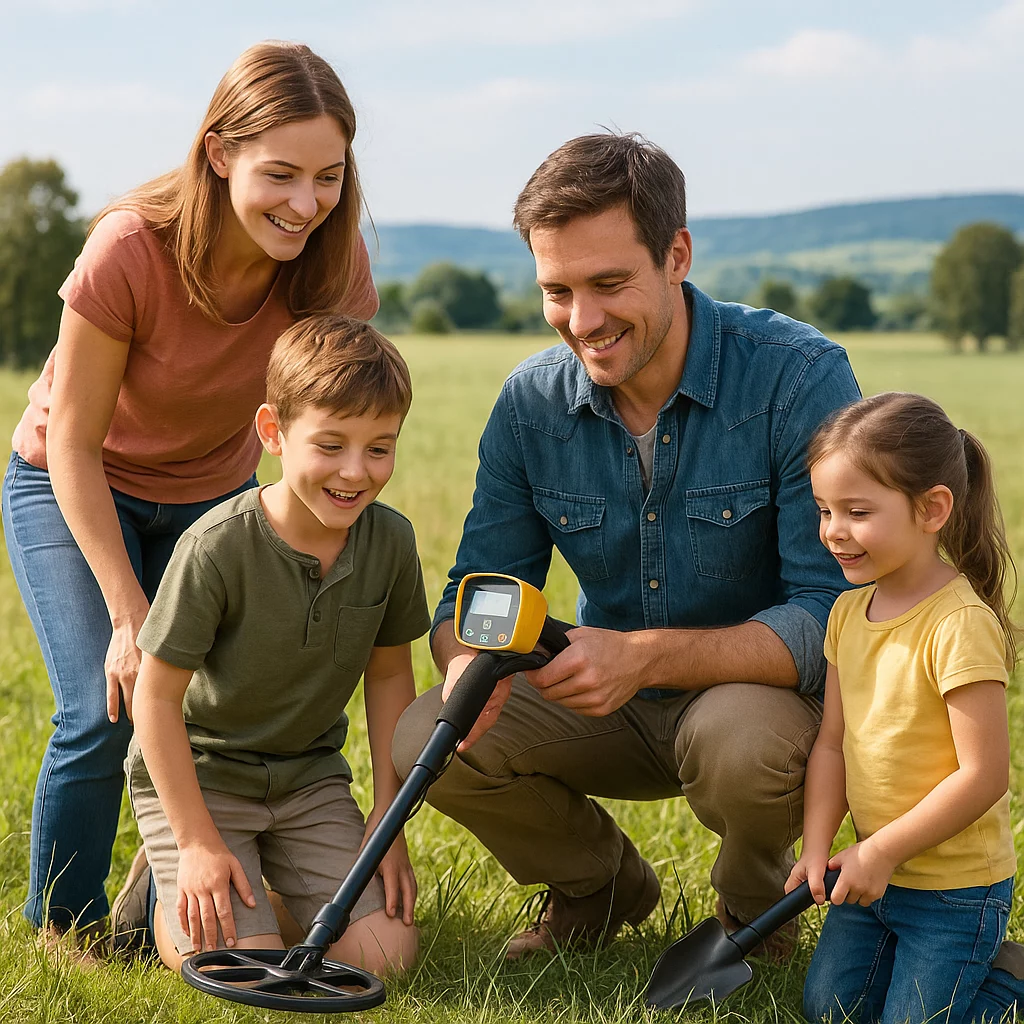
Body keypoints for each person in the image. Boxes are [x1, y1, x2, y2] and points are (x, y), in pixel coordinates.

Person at [392, 132, 862, 959]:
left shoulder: (797, 376)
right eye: (558, 290)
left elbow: (830, 616)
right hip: (599, 696)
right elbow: (479, 585)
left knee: (744, 744)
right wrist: (466, 662)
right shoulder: (530, 404)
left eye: (610, 284)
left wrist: (644, 657)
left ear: (676, 254)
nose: (584, 321)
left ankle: (752, 920)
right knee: (422, 736)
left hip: (750, 701)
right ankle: (599, 890)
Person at [1, 41, 378, 957]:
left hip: (215, 499)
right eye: (280, 174)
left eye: (326, 177)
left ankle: (160, 883)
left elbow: (338, 417)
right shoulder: (129, 250)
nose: (305, 203)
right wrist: (130, 613)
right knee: (106, 703)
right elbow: (77, 447)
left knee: (215, 712)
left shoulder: (330, 271)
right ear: (218, 153)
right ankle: (65, 923)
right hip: (74, 484)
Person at [129, 314, 427, 973]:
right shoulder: (215, 547)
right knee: (237, 964)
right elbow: (154, 699)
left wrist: (388, 816)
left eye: (380, 448)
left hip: (308, 779)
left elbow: (387, 680)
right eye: (331, 445)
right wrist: (197, 841)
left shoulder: (392, 543)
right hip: (205, 780)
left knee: (384, 957)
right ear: (274, 434)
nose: (356, 472)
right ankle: (167, 880)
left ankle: (261, 884)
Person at [789, 392, 1024, 1024]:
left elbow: (983, 776)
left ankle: (1009, 981)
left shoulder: (958, 623)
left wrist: (884, 850)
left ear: (933, 508)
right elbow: (832, 743)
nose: (834, 531)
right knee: (828, 1010)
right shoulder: (847, 613)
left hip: (955, 889)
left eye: (857, 511)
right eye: (824, 510)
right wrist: (817, 846)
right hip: (873, 879)